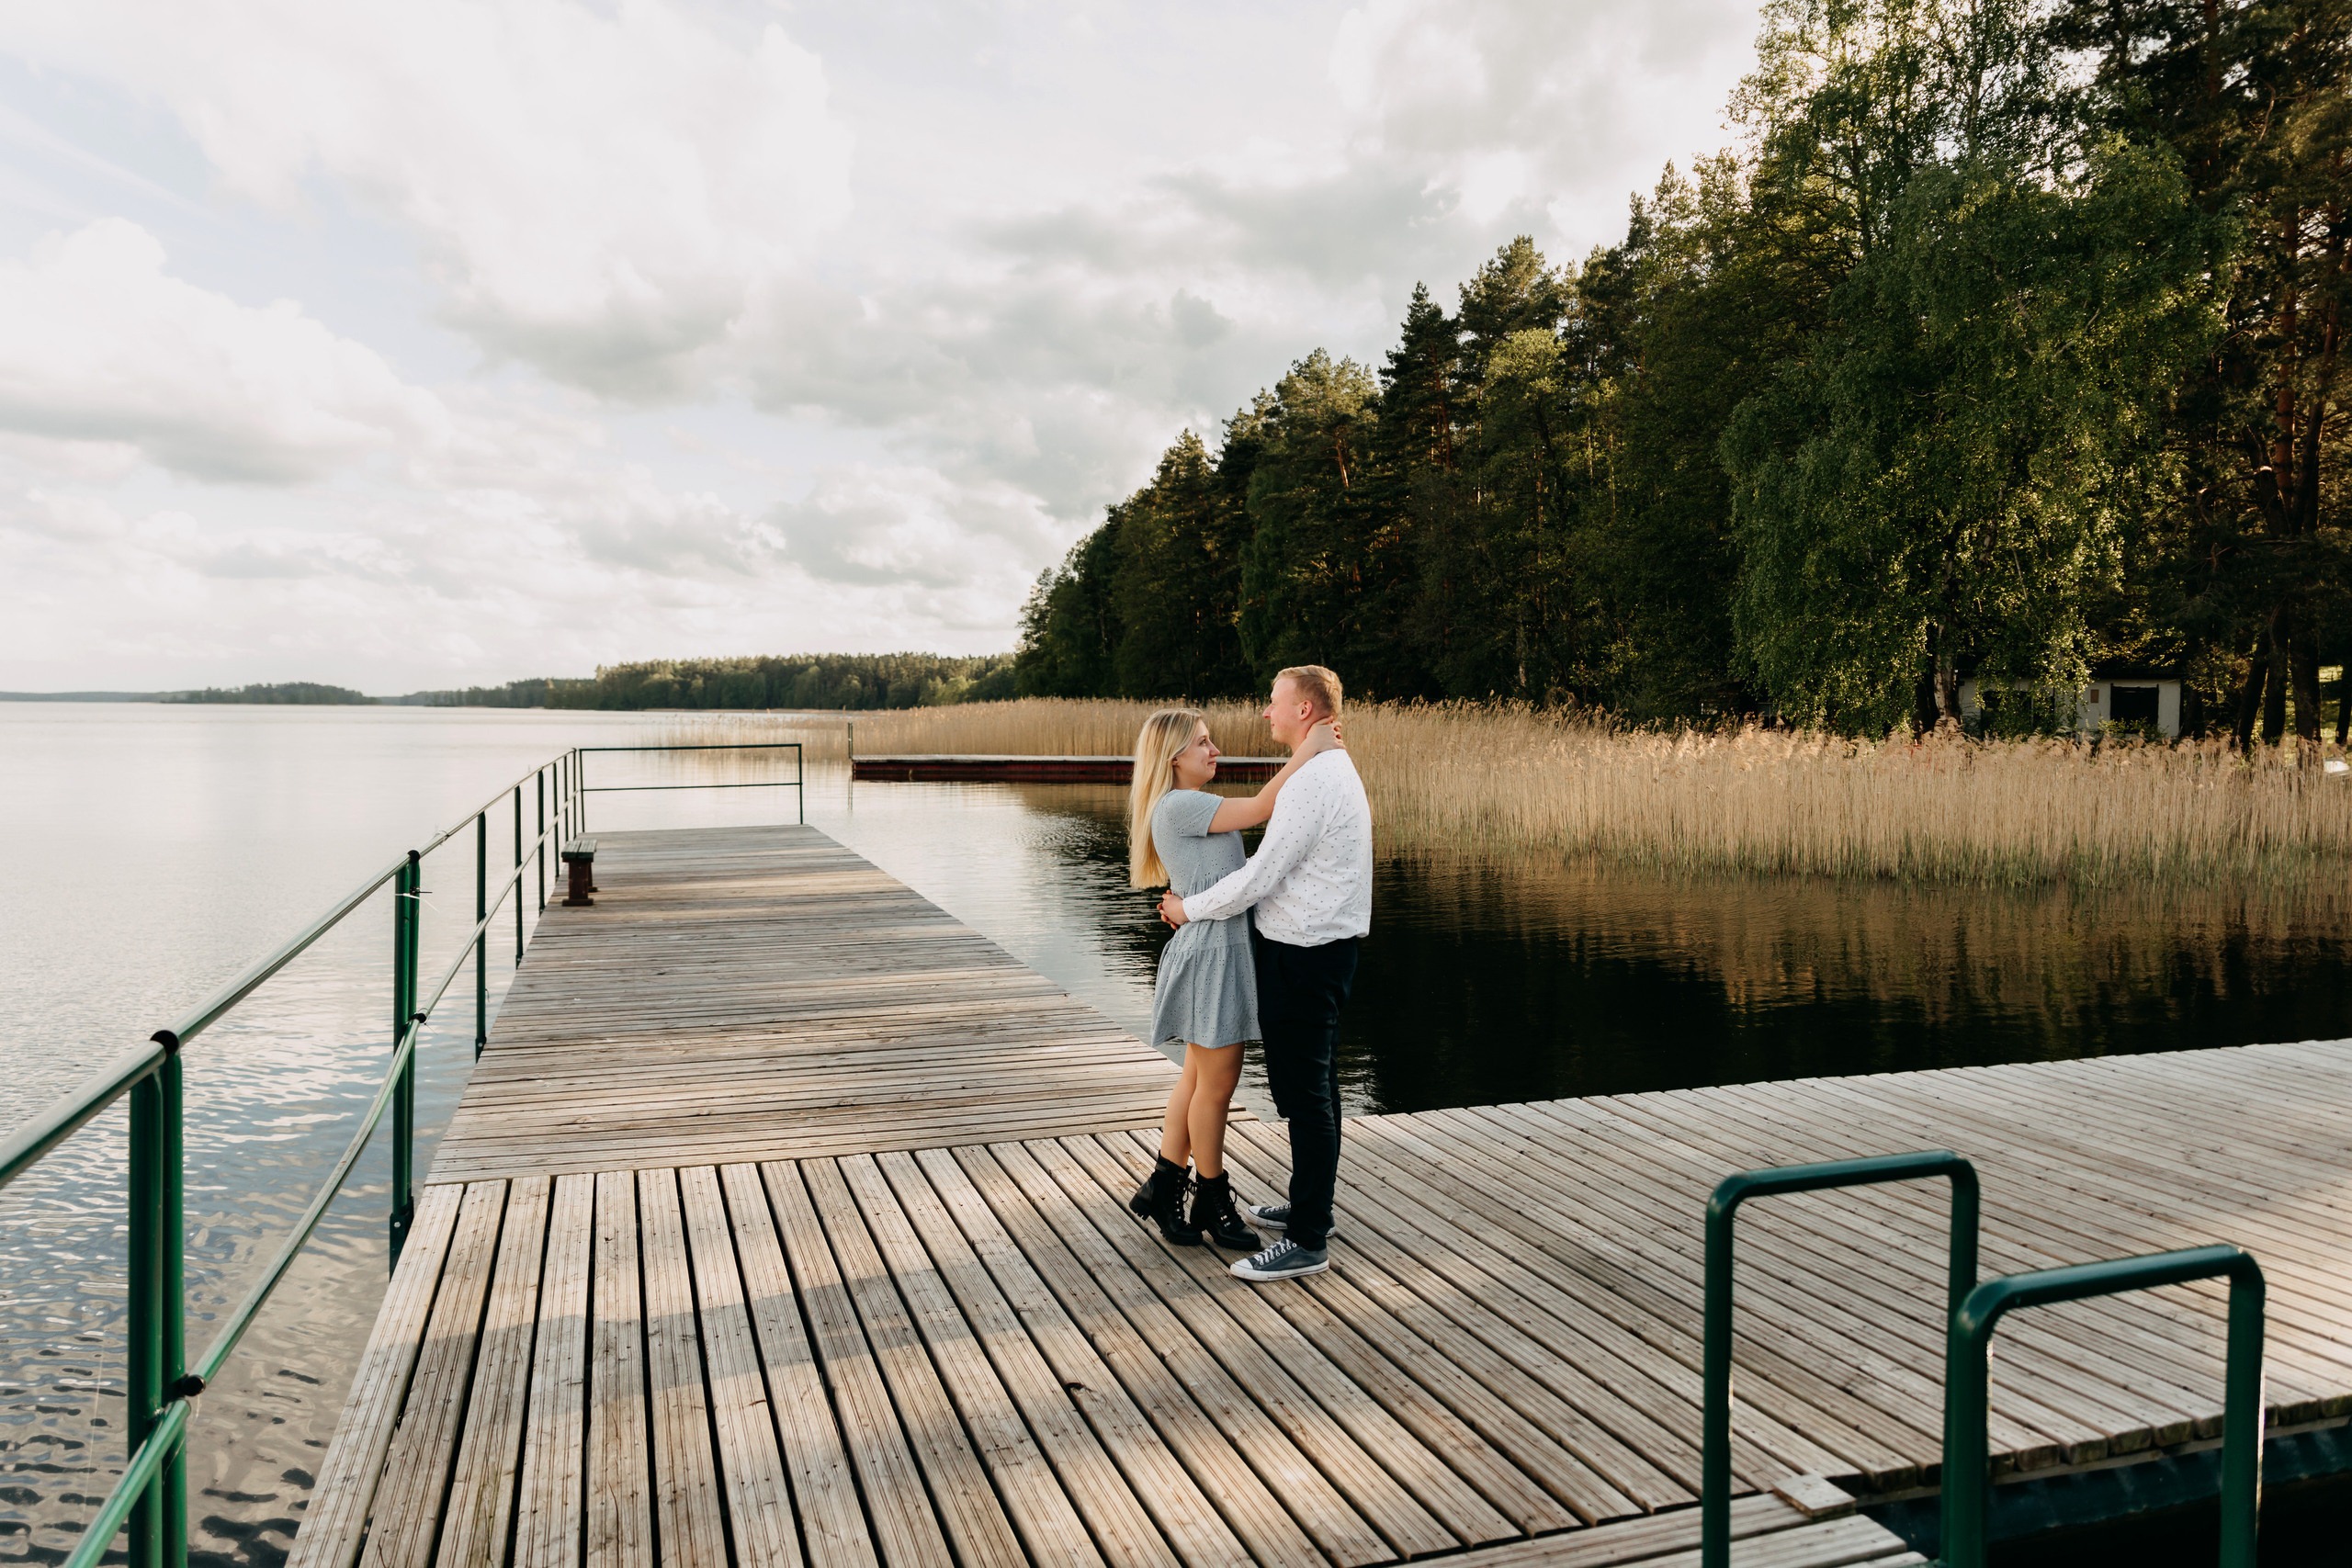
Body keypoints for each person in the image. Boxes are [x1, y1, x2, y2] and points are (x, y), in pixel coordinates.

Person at [1159, 665, 1371, 1282]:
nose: (1264, 712)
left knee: (1305, 1098)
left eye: (1273, 701)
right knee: (1320, 1087)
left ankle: (1307, 1240)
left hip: (1304, 956)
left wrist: (1187, 907)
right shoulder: (1330, 767)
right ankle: (1313, 1208)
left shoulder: (1314, 779)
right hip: (1320, 949)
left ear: (1304, 709)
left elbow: (1259, 877)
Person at [1125, 705, 1342, 1251]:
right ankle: (1212, 1197)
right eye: (1202, 743)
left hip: (1215, 950)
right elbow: (1264, 806)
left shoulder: (1185, 805)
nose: (1214, 749)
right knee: (1216, 1088)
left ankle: (1164, 1185)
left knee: (1197, 1080)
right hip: (1212, 955)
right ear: (1174, 757)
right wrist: (1310, 748)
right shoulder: (1180, 806)